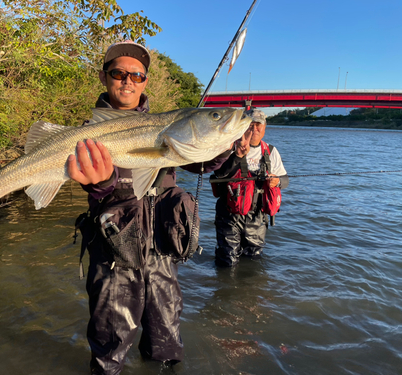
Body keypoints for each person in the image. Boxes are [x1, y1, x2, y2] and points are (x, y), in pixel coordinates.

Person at [67, 41, 233, 374]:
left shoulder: (168, 126)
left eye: (137, 75)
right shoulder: (87, 134)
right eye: (118, 73)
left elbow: (200, 163)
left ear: (145, 82)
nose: (128, 81)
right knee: (109, 348)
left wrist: (224, 148)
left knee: (166, 343)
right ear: (104, 77)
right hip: (114, 253)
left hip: (161, 251)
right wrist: (100, 183)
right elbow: (96, 186)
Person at [211, 109, 289, 267]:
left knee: (253, 262)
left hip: (257, 218)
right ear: (242, 127)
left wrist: (277, 182)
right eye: (250, 124)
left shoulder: (271, 152)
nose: (254, 129)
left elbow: (285, 180)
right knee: (227, 261)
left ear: (264, 127)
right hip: (229, 216)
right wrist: (237, 155)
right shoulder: (229, 146)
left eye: (258, 125)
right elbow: (219, 174)